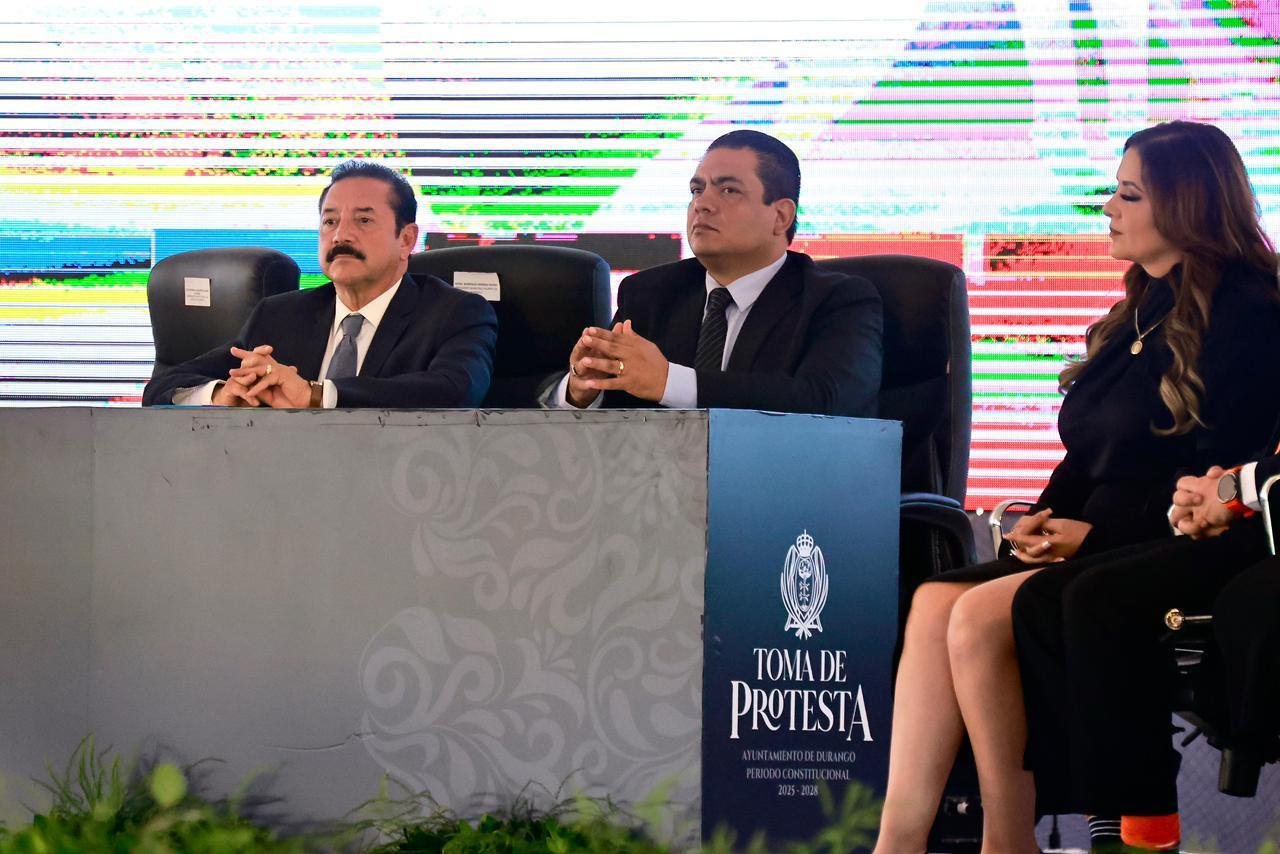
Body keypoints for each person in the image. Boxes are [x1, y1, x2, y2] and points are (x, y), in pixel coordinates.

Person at [873, 120, 1280, 854]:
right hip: (1105, 533)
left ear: (1185, 204)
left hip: (1189, 538)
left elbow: (1218, 478)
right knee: (934, 602)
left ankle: (1009, 838)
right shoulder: (1139, 311)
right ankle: (900, 842)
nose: (1109, 209)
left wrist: (1096, 533)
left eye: (1129, 195)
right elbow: (1087, 453)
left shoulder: (1248, 312)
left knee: (979, 616)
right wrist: (1040, 517)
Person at [1010, 446, 1280, 852]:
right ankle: (1038, 830)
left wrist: (1233, 488)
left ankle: (1142, 837)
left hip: (1244, 527)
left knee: (1099, 598)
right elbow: (1082, 461)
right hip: (1228, 511)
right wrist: (1200, 500)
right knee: (1037, 599)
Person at [545, 129, 882, 417]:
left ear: (780, 216)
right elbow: (617, 405)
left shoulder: (838, 300)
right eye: (697, 190)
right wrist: (581, 390)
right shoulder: (650, 293)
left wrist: (668, 381)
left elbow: (825, 401)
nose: (702, 204)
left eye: (728, 190)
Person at [143, 160, 497, 408]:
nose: (341, 235)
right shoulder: (280, 315)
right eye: (330, 221)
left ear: (406, 239)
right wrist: (224, 393)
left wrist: (316, 395)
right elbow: (163, 386)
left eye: (363, 220)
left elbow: (456, 391)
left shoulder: (453, 313)